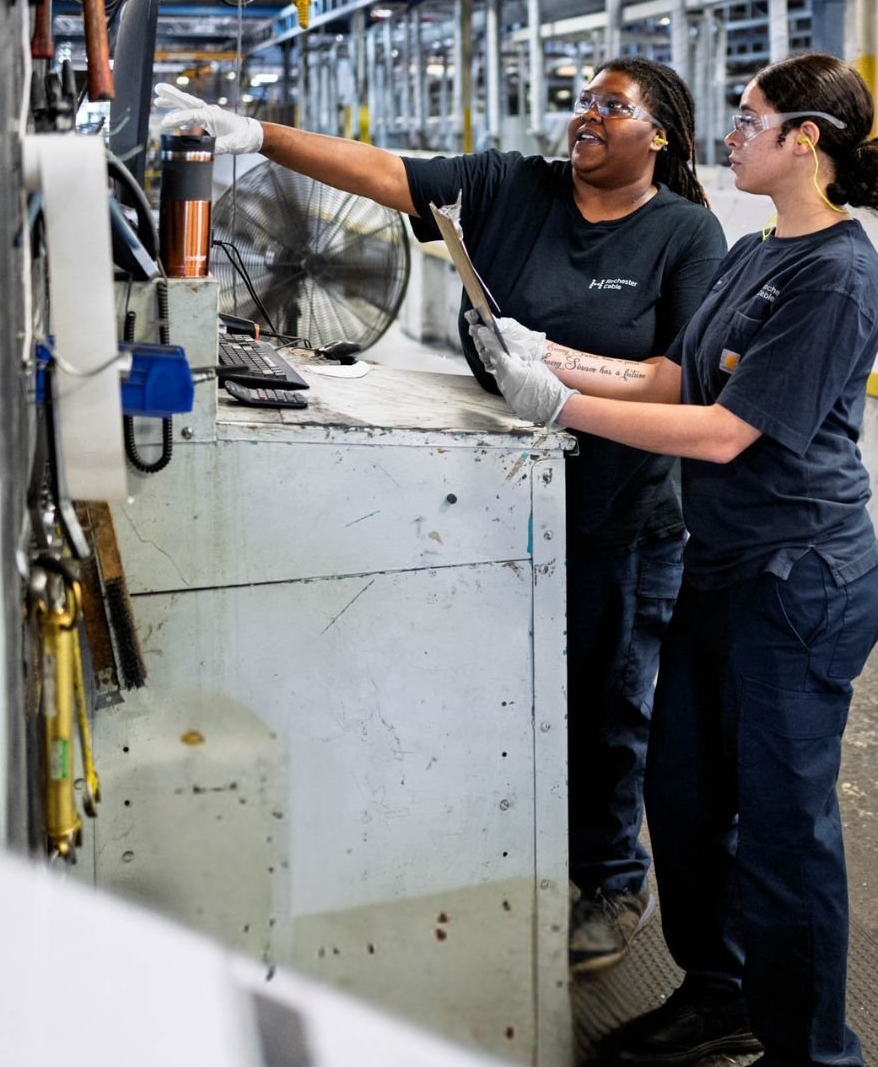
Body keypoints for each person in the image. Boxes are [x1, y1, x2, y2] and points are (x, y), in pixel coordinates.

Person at [154, 58, 728, 974]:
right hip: (497, 502)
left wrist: (561, 369)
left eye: (611, 106)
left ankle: (613, 877)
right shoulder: (513, 188)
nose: (585, 116)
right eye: (580, 98)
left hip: (618, 517)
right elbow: (385, 173)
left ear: (659, 136)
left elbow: (679, 377)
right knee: (503, 695)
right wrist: (257, 136)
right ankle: (507, 853)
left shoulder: (687, 234)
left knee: (605, 706)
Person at [468, 53, 878, 1067]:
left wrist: (561, 409)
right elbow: (673, 373)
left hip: (798, 583)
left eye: (752, 121)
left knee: (784, 831)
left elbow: (719, 433)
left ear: (807, 140)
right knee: (683, 792)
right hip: (723, 569)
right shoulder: (756, 251)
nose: (733, 135)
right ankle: (720, 991)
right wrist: (551, 354)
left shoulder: (838, 276)